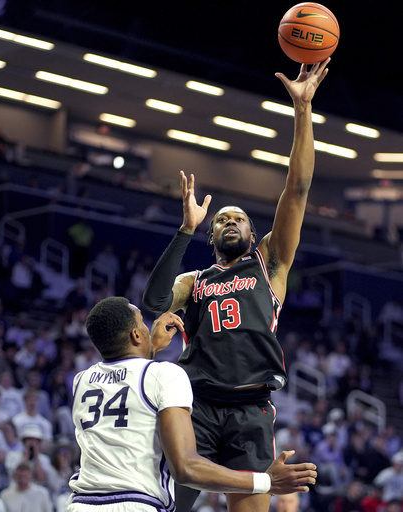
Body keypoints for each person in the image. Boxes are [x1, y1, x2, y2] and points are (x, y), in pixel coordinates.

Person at [142, 58, 330, 512]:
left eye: (239, 218)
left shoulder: (270, 263)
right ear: (211, 236)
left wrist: (302, 110)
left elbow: (299, 186)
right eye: (221, 219)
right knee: (168, 505)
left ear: (252, 234)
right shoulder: (195, 279)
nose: (230, 221)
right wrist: (184, 229)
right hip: (195, 404)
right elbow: (153, 301)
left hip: (251, 409)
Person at [65, 297, 317, 512]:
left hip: (79, 503)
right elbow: (185, 469)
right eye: (142, 321)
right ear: (135, 335)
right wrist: (266, 482)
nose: (147, 325)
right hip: (136, 502)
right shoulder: (166, 375)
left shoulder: (81, 382)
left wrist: (149, 348)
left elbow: (128, 378)